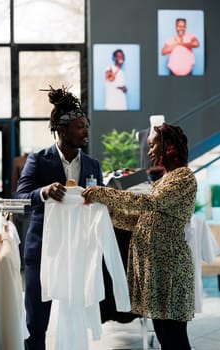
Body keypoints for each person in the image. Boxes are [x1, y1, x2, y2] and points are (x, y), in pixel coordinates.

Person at [82, 123, 197, 350]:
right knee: (165, 336)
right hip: (157, 271)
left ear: (169, 146)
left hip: (170, 271)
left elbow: (150, 203)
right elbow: (140, 220)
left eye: (153, 145)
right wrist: (108, 211)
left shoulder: (183, 177)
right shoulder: (165, 178)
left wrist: (105, 193)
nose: (149, 151)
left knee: (175, 338)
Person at [15, 85, 104, 350]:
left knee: (75, 317)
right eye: (80, 127)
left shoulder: (92, 164)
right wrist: (43, 191)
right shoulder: (38, 160)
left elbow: (99, 202)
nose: (86, 131)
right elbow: (21, 197)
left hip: (78, 253)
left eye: (86, 125)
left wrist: (97, 197)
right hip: (43, 251)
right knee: (36, 323)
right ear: (63, 130)